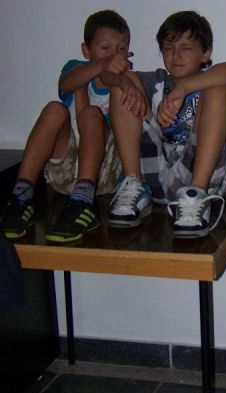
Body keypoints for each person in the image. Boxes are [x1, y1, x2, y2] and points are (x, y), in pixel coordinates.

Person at [0, 10, 139, 243]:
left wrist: (123, 79)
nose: (114, 55)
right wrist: (101, 65)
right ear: (87, 50)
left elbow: (113, 83)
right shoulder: (77, 68)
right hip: (63, 174)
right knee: (55, 109)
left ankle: (83, 201)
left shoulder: (124, 80)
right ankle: (20, 196)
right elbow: (67, 83)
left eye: (121, 49)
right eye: (105, 48)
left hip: (102, 175)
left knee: (91, 116)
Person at [103, 10, 226, 238]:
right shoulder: (157, 81)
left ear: (205, 53)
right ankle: (134, 185)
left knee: (217, 88)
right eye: (169, 48)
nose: (176, 56)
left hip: (203, 178)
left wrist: (184, 89)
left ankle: (196, 195)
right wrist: (124, 83)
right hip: (155, 175)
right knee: (123, 85)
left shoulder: (213, 77)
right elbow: (106, 77)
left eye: (186, 48)